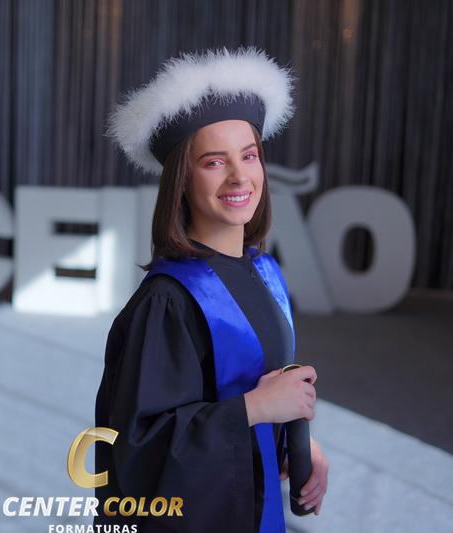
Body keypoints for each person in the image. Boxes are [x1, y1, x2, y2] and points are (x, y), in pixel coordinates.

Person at [94, 47, 329, 532]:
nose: (240, 176)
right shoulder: (167, 302)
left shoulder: (264, 272)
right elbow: (138, 449)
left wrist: (294, 438)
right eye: (214, 162)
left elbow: (255, 384)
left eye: (249, 155)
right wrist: (256, 409)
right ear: (181, 180)